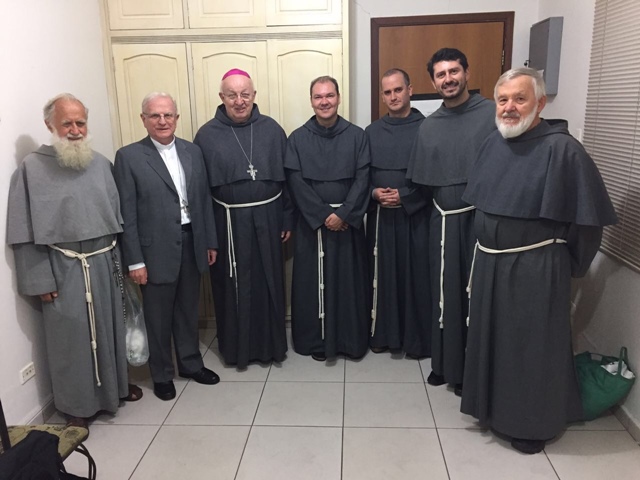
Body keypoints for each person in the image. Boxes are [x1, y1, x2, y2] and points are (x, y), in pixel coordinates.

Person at [460, 68, 617, 454]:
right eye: (502, 99)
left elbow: (588, 225)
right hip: (490, 263)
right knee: (492, 339)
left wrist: (565, 267)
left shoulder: (564, 151)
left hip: (536, 268)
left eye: (520, 98)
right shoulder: (492, 143)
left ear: (540, 103)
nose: (509, 107)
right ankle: (489, 407)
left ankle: (529, 424)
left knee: (529, 348)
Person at [7, 93, 141, 430]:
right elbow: (22, 231)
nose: (75, 130)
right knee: (71, 337)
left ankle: (116, 389)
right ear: (49, 124)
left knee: (111, 328)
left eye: (81, 122)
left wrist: (124, 264)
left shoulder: (101, 164)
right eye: (67, 123)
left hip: (104, 261)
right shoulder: (31, 169)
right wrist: (39, 279)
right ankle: (76, 404)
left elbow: (118, 220)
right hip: (63, 268)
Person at [114, 92, 219, 401]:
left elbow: (203, 200)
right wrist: (135, 260)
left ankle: (190, 364)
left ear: (176, 118)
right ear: (143, 119)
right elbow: (127, 213)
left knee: (188, 310)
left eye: (168, 115)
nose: (162, 121)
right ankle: (161, 374)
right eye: (155, 115)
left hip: (191, 241)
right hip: (153, 250)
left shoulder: (192, 151)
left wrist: (209, 241)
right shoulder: (129, 157)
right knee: (158, 317)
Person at [407, 48, 496, 395]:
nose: (448, 79)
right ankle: (444, 363)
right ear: (433, 82)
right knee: (444, 293)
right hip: (442, 223)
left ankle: (470, 373)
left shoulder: (491, 113)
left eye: (454, 71)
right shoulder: (429, 126)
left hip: (480, 222)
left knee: (475, 296)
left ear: (467, 73)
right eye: (441, 74)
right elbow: (420, 183)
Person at [194, 69, 293, 369]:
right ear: (222, 97)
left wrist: (286, 219)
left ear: (254, 95)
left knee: (269, 283)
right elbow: (200, 193)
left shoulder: (272, 130)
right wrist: (209, 238)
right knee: (232, 286)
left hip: (269, 218)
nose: (239, 101)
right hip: (227, 223)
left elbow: (288, 181)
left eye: (245, 94)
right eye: (232, 95)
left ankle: (271, 347)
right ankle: (237, 350)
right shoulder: (206, 135)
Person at [285, 76, 370, 361]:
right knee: (312, 286)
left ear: (338, 98)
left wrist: (343, 213)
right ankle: (315, 341)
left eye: (329, 95)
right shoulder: (297, 138)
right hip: (312, 227)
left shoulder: (357, 136)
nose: (324, 102)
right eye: (318, 97)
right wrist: (323, 215)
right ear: (311, 101)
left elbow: (363, 178)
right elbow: (295, 181)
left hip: (347, 225)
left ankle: (349, 341)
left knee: (348, 284)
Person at [365, 68, 431, 358]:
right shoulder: (371, 132)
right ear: (382, 96)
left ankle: (414, 339)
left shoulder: (427, 128)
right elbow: (361, 176)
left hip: (415, 217)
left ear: (410, 90)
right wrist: (373, 193)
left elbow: (434, 176)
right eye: (387, 92)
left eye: (398, 90)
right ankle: (383, 334)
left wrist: (404, 196)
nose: (393, 96)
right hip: (381, 218)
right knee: (382, 277)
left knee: (414, 277)